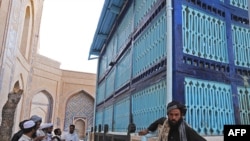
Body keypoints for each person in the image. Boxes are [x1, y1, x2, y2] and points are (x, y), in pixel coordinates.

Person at [138, 101, 207, 141]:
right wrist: (147, 130)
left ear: (181, 115)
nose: (173, 117)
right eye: (171, 114)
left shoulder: (186, 130)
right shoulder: (165, 122)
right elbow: (157, 122)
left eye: (176, 115)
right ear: (168, 115)